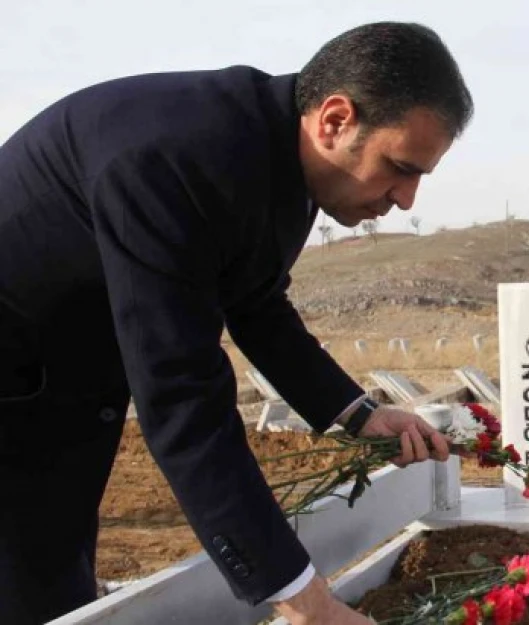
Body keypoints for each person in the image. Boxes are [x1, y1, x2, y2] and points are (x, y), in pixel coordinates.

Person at [0, 22, 471, 625]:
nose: (406, 199)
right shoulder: (171, 160)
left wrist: (359, 414)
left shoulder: (276, 157)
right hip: (16, 381)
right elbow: (183, 399)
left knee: (53, 583)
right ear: (335, 120)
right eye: (400, 167)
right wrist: (304, 600)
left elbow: (256, 301)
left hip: (63, 382)